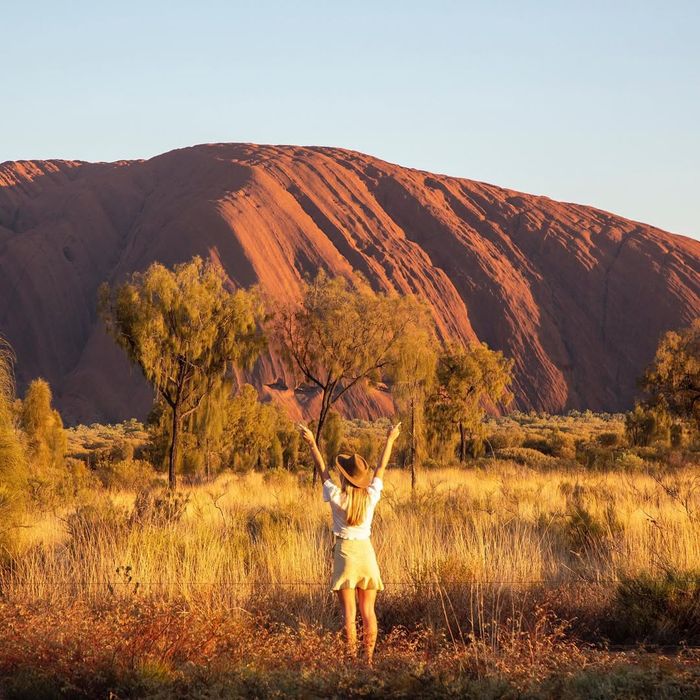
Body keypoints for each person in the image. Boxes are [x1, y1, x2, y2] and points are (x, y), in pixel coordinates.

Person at [298, 421, 401, 665]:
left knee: (349, 615)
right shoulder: (371, 495)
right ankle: (368, 661)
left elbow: (322, 470)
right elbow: (382, 468)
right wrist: (390, 440)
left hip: (344, 553)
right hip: (366, 553)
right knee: (368, 612)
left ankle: (351, 659)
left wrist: (312, 442)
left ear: (344, 477)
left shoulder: (336, 496)